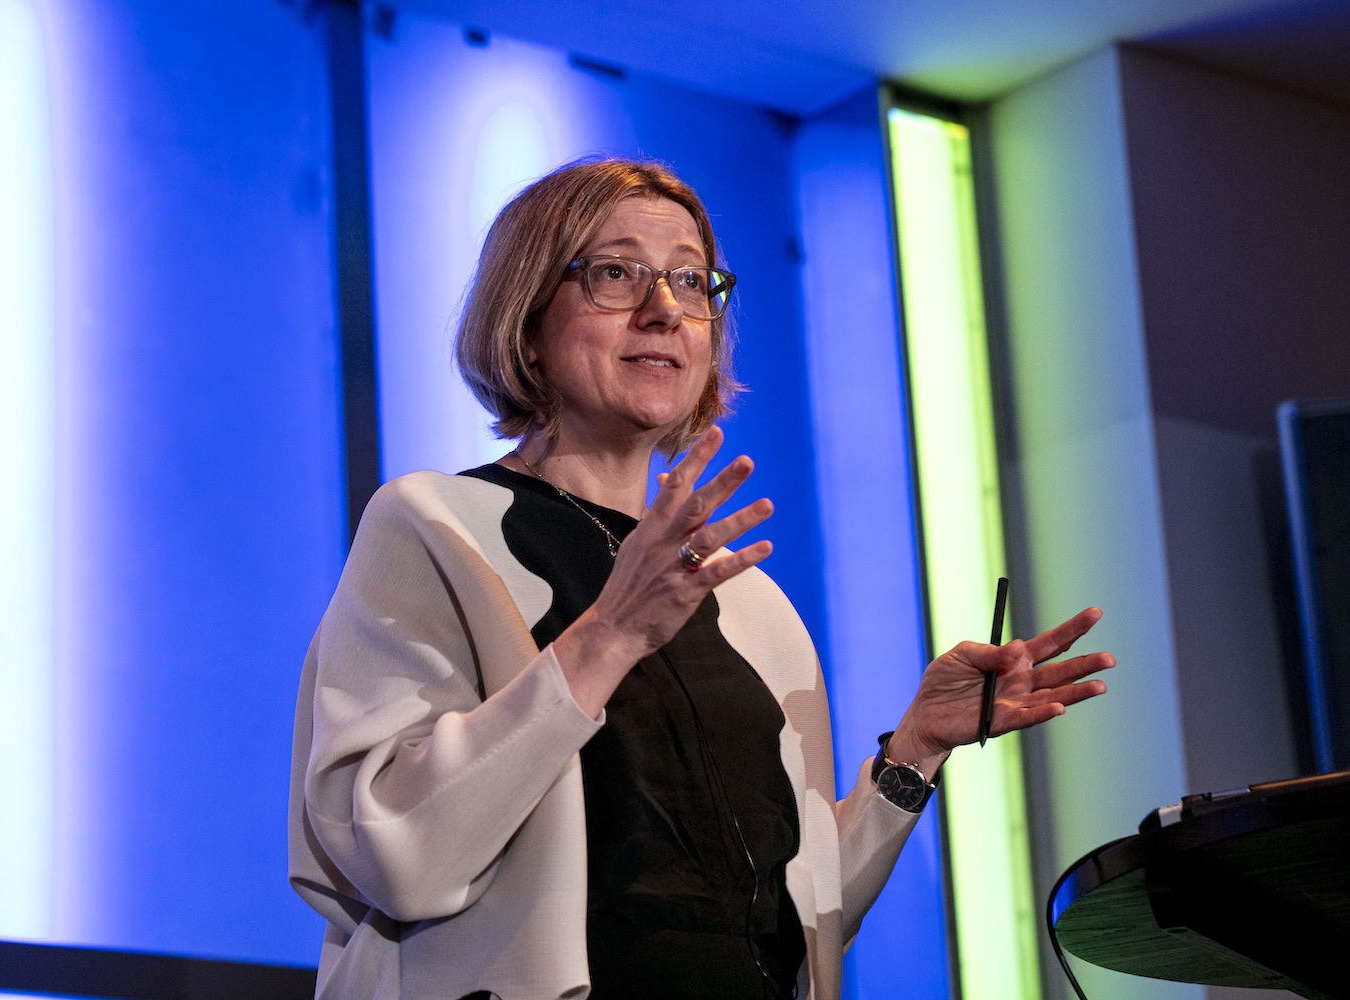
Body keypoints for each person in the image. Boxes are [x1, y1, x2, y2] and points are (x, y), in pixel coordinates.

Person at [288, 159, 1112, 1000]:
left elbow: (801, 919)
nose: (665, 309)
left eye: (690, 279)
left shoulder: (750, 600)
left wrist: (916, 751)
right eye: (615, 273)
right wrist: (609, 637)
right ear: (526, 315)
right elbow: (390, 849)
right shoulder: (437, 527)